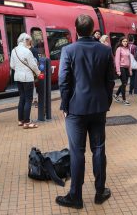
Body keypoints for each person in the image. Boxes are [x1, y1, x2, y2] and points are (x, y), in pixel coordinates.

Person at [57, 14, 115, 209]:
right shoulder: (105, 50)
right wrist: (105, 102)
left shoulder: (68, 50)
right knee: (99, 149)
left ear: (76, 29)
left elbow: (64, 81)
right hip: (98, 108)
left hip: (75, 109)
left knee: (77, 152)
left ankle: (75, 196)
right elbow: (110, 80)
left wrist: (65, 105)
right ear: (93, 30)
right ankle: (100, 192)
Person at [10, 33, 41, 129]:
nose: (29, 43)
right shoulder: (27, 51)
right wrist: (38, 73)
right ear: (26, 40)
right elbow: (33, 65)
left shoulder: (13, 50)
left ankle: (20, 120)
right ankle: (27, 122)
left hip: (18, 77)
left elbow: (12, 65)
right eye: (29, 41)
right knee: (28, 99)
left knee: (22, 98)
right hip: (27, 78)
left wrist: (20, 69)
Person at [113, 37, 132, 106]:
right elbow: (117, 60)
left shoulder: (127, 49)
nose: (125, 42)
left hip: (127, 68)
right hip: (121, 68)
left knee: (125, 83)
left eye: (126, 41)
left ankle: (116, 95)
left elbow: (129, 61)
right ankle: (124, 100)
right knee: (124, 83)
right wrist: (118, 70)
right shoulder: (119, 49)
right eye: (123, 41)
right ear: (121, 42)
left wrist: (130, 70)